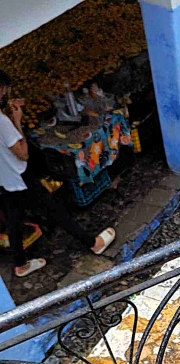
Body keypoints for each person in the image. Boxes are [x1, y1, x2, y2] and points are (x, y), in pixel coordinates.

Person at [0, 71, 115, 278]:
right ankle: (93, 243)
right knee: (54, 210)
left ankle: (20, 265)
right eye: (6, 91)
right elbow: (23, 154)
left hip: (4, 179)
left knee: (14, 220)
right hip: (19, 176)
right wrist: (17, 121)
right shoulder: (2, 122)